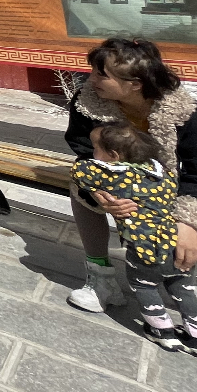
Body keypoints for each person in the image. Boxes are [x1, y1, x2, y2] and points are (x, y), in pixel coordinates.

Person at [63, 38, 197, 315]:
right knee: (80, 191)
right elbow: (84, 149)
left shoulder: (183, 112)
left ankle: (181, 284)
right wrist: (100, 193)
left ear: (135, 84)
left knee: (183, 234)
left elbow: (195, 170)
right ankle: (100, 276)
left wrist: (188, 222)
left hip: (166, 181)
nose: (91, 79)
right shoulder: (88, 102)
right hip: (116, 177)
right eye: (93, 71)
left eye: (102, 74)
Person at [72, 121, 197, 352]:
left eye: (95, 148)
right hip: (176, 243)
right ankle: (194, 333)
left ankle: (161, 330)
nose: (92, 153)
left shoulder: (112, 175)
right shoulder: (163, 173)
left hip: (144, 248)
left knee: (144, 286)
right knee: (183, 289)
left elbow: (79, 171)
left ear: (113, 155)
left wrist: (96, 189)